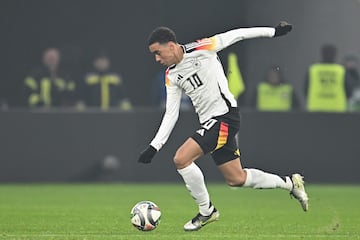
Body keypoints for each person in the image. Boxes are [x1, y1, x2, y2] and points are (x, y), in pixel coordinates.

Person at [138, 22, 309, 231]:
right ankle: (291, 183)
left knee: (181, 159)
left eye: (158, 52)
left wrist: (273, 32)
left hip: (226, 117)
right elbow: (171, 113)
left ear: (171, 46)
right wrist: (154, 146)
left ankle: (206, 211)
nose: (157, 58)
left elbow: (238, 34)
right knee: (236, 178)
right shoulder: (171, 75)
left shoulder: (203, 48)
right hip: (211, 123)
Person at [304, 44, 351, 112]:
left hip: (316, 108)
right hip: (337, 109)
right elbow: (348, 91)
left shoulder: (313, 70)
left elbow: (305, 90)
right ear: (335, 54)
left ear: (322, 54)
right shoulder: (341, 70)